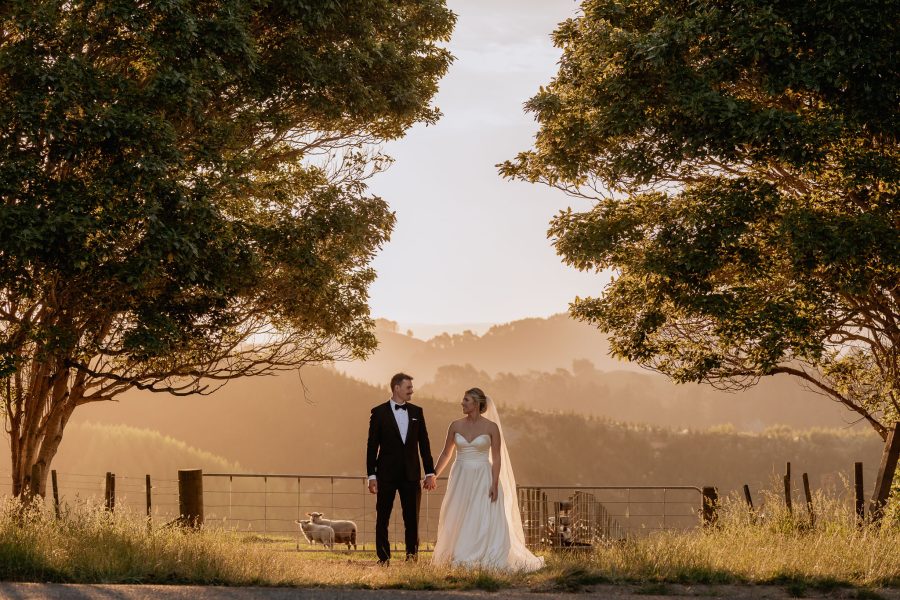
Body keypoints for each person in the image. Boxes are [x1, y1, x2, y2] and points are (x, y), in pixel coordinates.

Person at [430, 387, 543, 571]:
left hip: (483, 476)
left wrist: (494, 483)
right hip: (460, 476)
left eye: (466, 400)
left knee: (479, 514)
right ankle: (456, 553)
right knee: (457, 513)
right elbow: (445, 454)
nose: (462, 403)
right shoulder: (455, 425)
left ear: (476, 403)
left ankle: (474, 554)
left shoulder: (491, 427)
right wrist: (433, 474)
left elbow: (497, 457)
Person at [366, 372, 436, 565]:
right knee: (383, 519)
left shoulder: (417, 412)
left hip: (411, 475)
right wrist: (371, 475)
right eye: (408, 387)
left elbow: (425, 444)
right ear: (397, 388)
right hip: (385, 475)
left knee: (412, 519)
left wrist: (430, 472)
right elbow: (372, 446)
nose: (412, 391)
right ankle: (383, 559)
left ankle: (412, 558)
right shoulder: (378, 413)